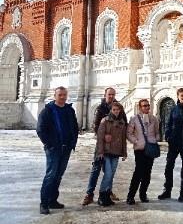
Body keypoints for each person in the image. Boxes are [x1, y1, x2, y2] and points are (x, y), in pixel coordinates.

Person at [37, 86, 79, 215]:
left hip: (66, 148)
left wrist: (72, 142)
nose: (62, 97)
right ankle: (44, 203)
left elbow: (75, 127)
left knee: (58, 175)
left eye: (64, 95)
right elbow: (40, 130)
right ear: (55, 96)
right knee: (51, 175)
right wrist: (49, 144)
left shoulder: (69, 110)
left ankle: (52, 200)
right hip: (53, 149)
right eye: (60, 95)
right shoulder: (48, 111)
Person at [82, 87, 126, 205]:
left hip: (114, 146)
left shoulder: (119, 107)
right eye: (109, 94)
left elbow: (124, 124)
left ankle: (107, 191)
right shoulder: (100, 108)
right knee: (96, 168)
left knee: (110, 171)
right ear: (105, 95)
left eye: (113, 94)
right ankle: (89, 194)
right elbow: (95, 125)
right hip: (102, 145)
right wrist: (103, 135)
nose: (111, 96)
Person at [158, 88, 183, 202]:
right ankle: (167, 190)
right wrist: (168, 136)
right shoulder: (174, 109)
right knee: (169, 167)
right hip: (174, 142)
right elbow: (169, 123)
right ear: (178, 96)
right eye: (182, 95)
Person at [126, 99, 160, 205]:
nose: (146, 107)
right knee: (138, 172)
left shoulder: (153, 119)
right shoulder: (134, 119)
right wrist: (136, 141)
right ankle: (130, 196)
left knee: (147, 173)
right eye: (144, 106)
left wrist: (155, 139)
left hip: (150, 148)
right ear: (140, 107)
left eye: (147, 105)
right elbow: (129, 133)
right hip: (140, 149)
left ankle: (143, 194)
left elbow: (157, 132)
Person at [96, 101, 127, 206]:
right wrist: (100, 151)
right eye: (114, 110)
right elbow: (100, 137)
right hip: (106, 151)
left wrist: (124, 152)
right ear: (111, 110)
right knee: (108, 174)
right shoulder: (105, 121)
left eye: (118, 110)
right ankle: (101, 196)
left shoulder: (122, 122)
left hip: (116, 151)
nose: (116, 112)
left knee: (111, 175)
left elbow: (123, 139)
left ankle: (107, 196)